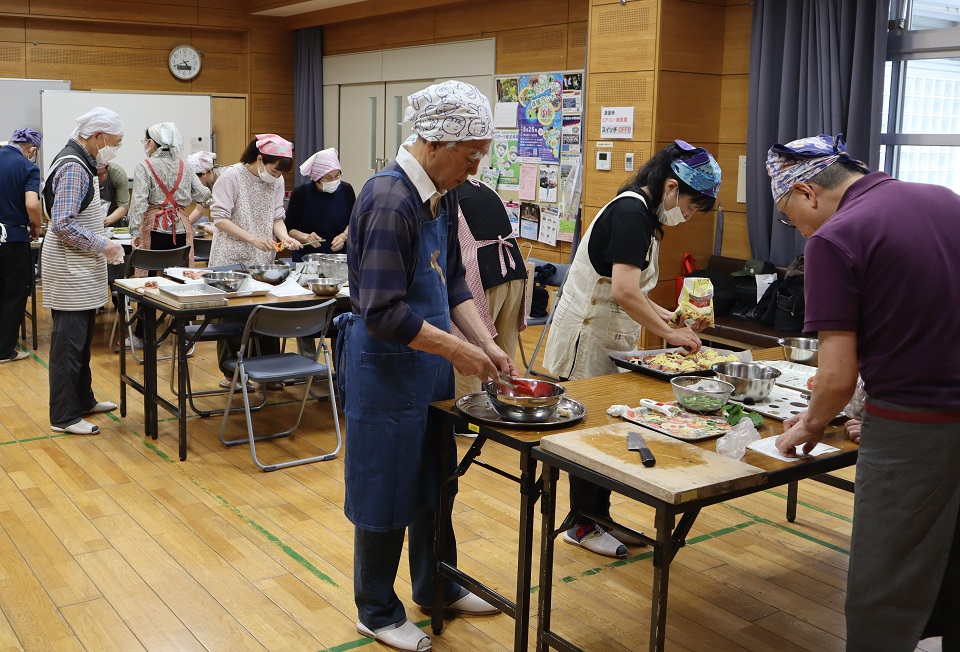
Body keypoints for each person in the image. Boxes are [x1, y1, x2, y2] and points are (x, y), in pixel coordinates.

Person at [336, 80, 512, 652]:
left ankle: (437, 584)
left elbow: (454, 278)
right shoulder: (390, 199)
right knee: (386, 489)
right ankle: (376, 609)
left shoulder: (444, 190)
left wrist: (484, 339)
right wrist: (460, 351)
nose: (476, 166)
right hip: (389, 370)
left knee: (435, 483)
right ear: (435, 143)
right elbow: (383, 312)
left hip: (430, 367)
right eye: (471, 154)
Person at [767, 133, 960, 651]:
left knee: (885, 577)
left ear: (807, 192)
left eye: (789, 217)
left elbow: (835, 377)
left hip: (916, 425)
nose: (797, 229)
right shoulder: (943, 198)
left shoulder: (836, 238)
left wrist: (810, 425)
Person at [543, 140, 721, 559]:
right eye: (691, 206)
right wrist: (670, 334)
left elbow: (632, 289)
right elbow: (623, 291)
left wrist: (668, 317)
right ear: (672, 187)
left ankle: (598, 519)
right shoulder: (630, 213)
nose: (688, 216)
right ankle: (584, 525)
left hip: (607, 332)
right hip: (588, 337)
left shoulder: (639, 211)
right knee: (590, 436)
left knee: (607, 429)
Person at [41, 107, 126, 435]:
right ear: (97, 137)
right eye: (114, 143)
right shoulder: (75, 166)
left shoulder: (78, 158)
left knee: (82, 339)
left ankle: (83, 399)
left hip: (79, 265)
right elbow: (62, 223)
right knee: (69, 343)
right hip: (69, 267)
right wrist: (104, 245)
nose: (114, 149)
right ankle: (63, 416)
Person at [207, 135, 300, 389]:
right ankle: (232, 374)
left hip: (261, 257)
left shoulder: (276, 180)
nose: (277, 175)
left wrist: (285, 238)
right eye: (274, 168)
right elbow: (219, 218)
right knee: (232, 316)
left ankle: (267, 371)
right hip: (230, 256)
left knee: (263, 311)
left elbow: (277, 216)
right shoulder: (231, 176)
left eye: (281, 171)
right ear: (259, 158)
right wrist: (252, 238)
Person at [452, 177, 527, 399]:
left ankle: (468, 416)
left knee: (469, 351)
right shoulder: (482, 187)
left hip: (481, 271)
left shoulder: (446, 192)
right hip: (514, 269)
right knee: (503, 351)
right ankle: (504, 405)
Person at [128, 122, 211, 267]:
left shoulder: (144, 166)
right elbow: (203, 194)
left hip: (155, 228)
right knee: (180, 275)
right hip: (181, 228)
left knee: (152, 274)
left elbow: (138, 202)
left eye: (147, 141)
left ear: (152, 143)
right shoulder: (186, 166)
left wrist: (135, 231)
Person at [0, 128, 42, 364]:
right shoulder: (28, 167)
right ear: (32, 149)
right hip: (13, 238)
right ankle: (4, 350)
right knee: (13, 294)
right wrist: (38, 225)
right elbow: (32, 204)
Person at [285, 147, 355, 259]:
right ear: (316, 178)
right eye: (328, 178)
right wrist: (306, 237)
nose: (334, 181)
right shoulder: (301, 193)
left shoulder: (346, 190)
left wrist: (344, 236)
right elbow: (289, 229)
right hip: (308, 257)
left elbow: (353, 222)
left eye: (337, 176)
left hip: (339, 256)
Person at [186, 150, 224, 229]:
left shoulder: (224, 178)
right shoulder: (208, 183)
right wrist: (184, 227)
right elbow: (199, 210)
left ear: (204, 174)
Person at [98, 161, 130, 227]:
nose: (96, 178)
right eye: (94, 175)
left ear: (107, 169)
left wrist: (106, 221)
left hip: (113, 217)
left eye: (100, 175)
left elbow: (123, 206)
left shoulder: (117, 174)